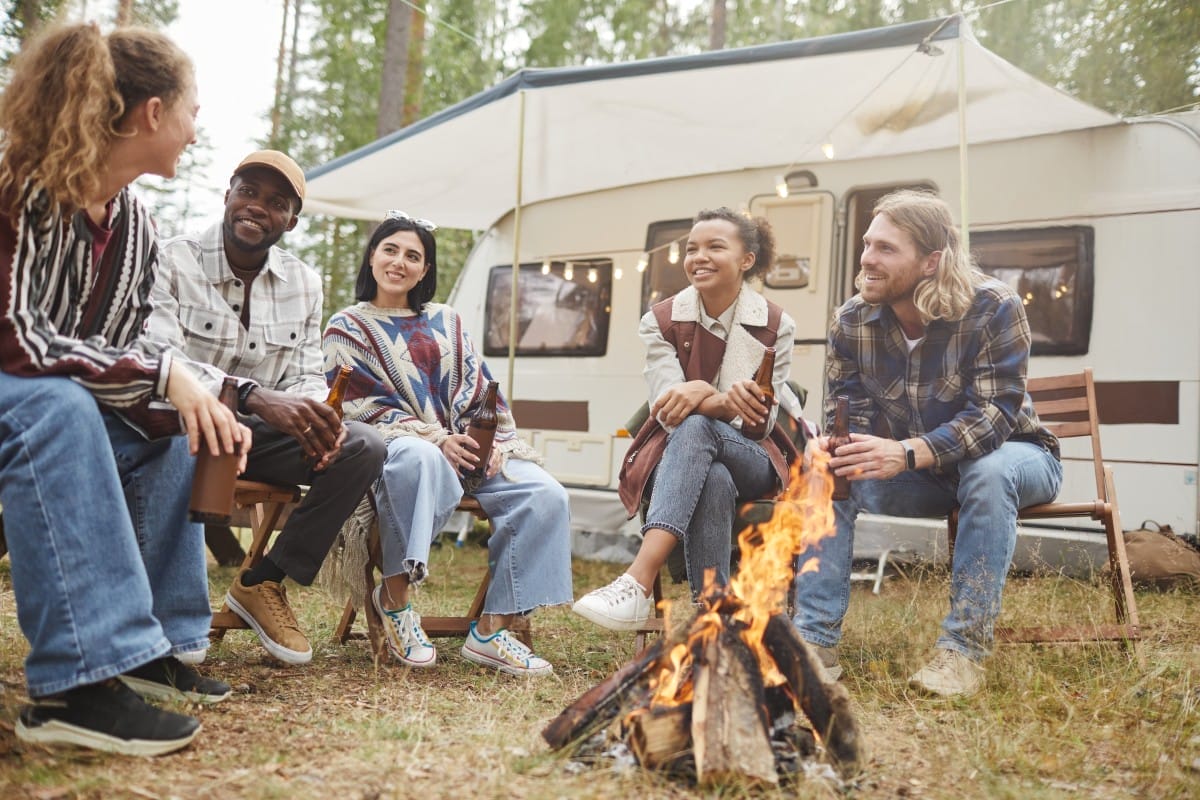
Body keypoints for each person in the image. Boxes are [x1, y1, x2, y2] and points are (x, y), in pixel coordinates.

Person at [0, 23, 250, 755]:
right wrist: (163, 373)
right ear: (151, 114)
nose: (195, 132)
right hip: (24, 400)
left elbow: (125, 349)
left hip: (46, 401)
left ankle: (151, 647)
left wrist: (195, 395)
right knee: (62, 409)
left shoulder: (138, 224)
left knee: (173, 427)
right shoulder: (21, 187)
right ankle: (75, 684)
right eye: (192, 111)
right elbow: (15, 339)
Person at [791, 190, 1063, 698]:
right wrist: (834, 445)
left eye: (886, 249)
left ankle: (962, 652)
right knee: (828, 469)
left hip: (1020, 458)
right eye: (868, 244)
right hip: (924, 478)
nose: (867, 259)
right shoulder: (852, 320)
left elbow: (993, 417)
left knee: (988, 470)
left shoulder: (992, 306)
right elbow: (847, 410)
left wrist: (907, 451)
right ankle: (813, 643)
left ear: (931, 261)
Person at [145, 150, 386, 666]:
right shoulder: (170, 257)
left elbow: (301, 373)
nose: (257, 207)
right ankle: (165, 614)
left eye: (276, 202)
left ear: (291, 221)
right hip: (180, 424)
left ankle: (263, 581)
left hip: (255, 434)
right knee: (172, 440)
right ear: (227, 194)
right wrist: (251, 394)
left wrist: (318, 420)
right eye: (248, 192)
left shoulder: (304, 282)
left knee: (362, 446)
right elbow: (157, 357)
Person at [321, 212, 571, 676]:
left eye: (413, 255)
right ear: (372, 256)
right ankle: (395, 600)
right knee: (419, 458)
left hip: (467, 452)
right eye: (390, 250)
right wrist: (437, 438)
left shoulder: (447, 321)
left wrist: (493, 441)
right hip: (397, 450)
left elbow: (481, 390)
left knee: (545, 494)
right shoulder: (346, 326)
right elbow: (357, 406)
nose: (400, 262)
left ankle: (492, 630)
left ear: (425, 269)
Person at [572, 208, 798, 630]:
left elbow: (760, 423)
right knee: (711, 473)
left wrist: (701, 395)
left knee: (699, 428)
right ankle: (714, 616)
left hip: (752, 455)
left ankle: (638, 579)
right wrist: (716, 399)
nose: (699, 257)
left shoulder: (775, 324)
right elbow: (669, 406)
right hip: (684, 454)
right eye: (691, 248)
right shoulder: (660, 320)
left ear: (746, 259)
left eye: (715, 247)